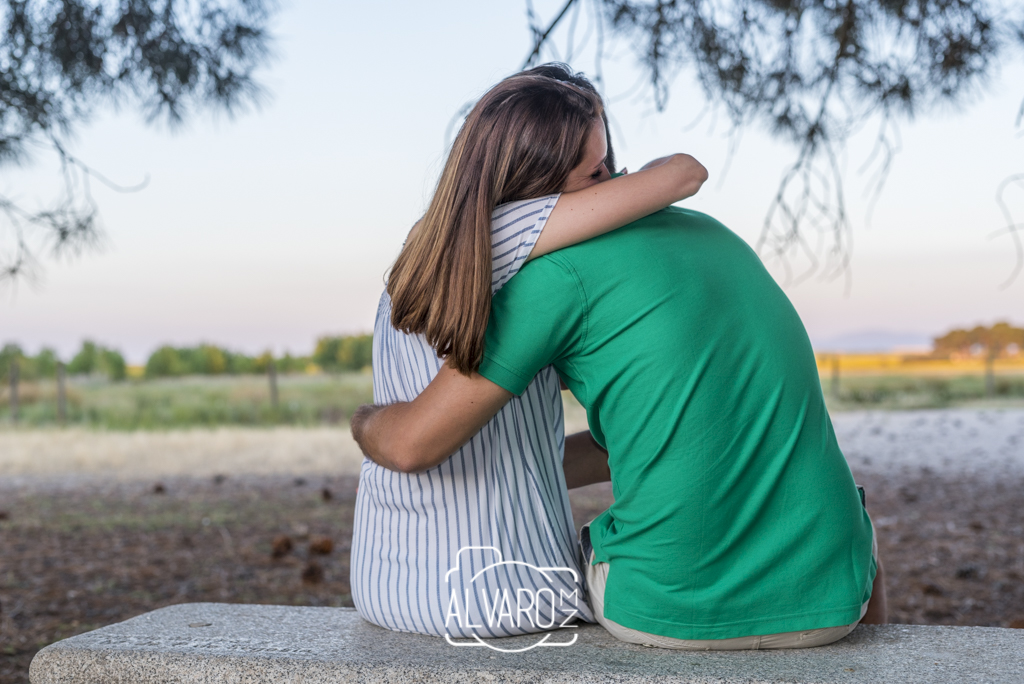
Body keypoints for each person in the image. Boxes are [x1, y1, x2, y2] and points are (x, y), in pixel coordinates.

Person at [352, 191, 889, 648]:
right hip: (835, 600)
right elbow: (670, 429)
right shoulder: (707, 232)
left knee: (577, 554)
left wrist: (362, 422)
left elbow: (411, 445)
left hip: (669, 612)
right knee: (855, 533)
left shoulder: (554, 277)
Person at [350, 63, 708, 638]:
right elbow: (684, 175)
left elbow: (505, 453)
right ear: (534, 178)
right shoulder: (519, 227)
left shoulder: (431, 251)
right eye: (597, 170)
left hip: (389, 581)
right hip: (504, 595)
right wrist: (366, 424)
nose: (611, 182)